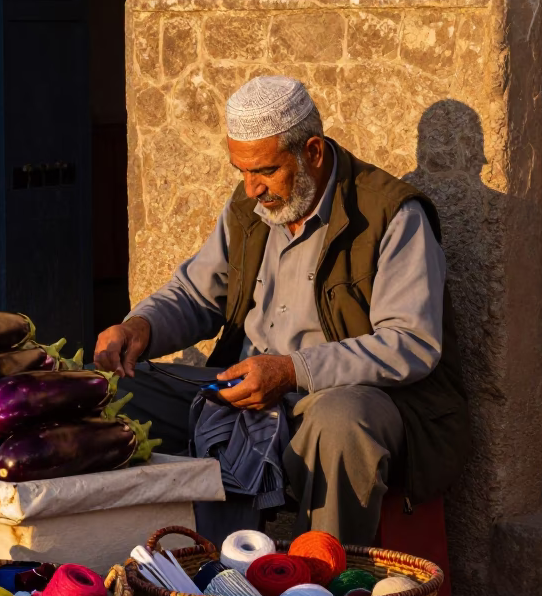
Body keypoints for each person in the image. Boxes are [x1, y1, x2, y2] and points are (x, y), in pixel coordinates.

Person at [94, 76, 469, 546]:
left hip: (342, 397)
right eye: (242, 172)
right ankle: (183, 572)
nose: (252, 189)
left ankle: (316, 587)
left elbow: (410, 343)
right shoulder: (249, 208)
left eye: (266, 171)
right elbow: (196, 295)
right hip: (246, 386)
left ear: (311, 151)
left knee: (340, 422)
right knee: (102, 393)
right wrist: (139, 327)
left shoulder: (391, 214)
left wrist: (292, 371)